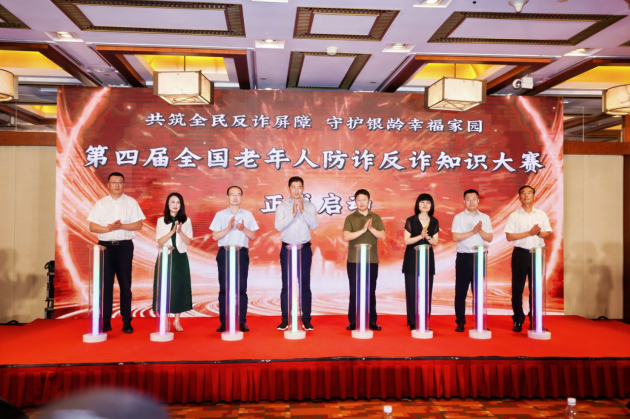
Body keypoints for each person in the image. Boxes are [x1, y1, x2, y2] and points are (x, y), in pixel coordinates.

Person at [87, 172, 145, 334]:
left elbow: (139, 225)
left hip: (124, 247)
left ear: (124, 184)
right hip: (105, 248)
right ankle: (105, 321)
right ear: (108, 185)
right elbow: (92, 227)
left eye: (120, 182)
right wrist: (109, 229)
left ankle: (127, 322)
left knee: (125, 285)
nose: (117, 185)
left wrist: (121, 226)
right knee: (106, 286)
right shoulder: (101, 203)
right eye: (114, 182)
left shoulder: (131, 202)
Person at [210, 186, 259, 332]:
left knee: (241, 288)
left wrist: (243, 229)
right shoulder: (220, 215)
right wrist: (228, 228)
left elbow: (253, 236)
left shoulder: (248, 215)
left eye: (238, 195)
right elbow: (215, 236)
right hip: (225, 253)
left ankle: (241, 321)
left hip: (241, 253)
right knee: (224, 289)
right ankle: (224, 321)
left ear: (241, 197)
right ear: (227, 197)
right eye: (232, 195)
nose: (235, 197)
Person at [505, 185, 552, 332]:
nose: (526, 195)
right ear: (519, 197)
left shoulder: (541, 215)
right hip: (520, 253)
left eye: (529, 193)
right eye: (523, 193)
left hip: (536, 254)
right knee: (517, 289)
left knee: (536, 289)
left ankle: (535, 321)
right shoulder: (514, 216)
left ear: (534, 196)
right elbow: (509, 236)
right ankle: (518, 320)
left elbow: (548, 234)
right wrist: (529, 233)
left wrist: (537, 233)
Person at [274, 176, 318, 331]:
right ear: (289, 188)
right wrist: (293, 214)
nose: (296, 190)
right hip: (287, 249)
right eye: (293, 187)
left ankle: (306, 319)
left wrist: (303, 211)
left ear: (303, 188)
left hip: (304, 249)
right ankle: (285, 319)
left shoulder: (310, 206)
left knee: (305, 284)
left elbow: (314, 225)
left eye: (299, 187)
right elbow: (278, 226)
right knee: (287, 284)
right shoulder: (282, 206)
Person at [343, 189, 386, 331]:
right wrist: (362, 230)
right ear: (355, 201)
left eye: (364, 200)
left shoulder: (376, 217)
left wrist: (371, 228)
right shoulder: (350, 218)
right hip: (354, 260)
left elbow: (382, 236)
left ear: (369, 201)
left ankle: (372, 320)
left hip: (371, 260)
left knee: (370, 290)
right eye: (359, 200)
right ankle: (353, 321)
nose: (361, 203)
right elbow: (346, 237)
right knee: (354, 290)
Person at [451, 189, 494, 332]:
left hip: (479, 257)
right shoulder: (459, 217)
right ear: (464, 201)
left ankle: (479, 321)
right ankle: (460, 321)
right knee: (461, 291)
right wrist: (473, 231)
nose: (471, 201)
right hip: (464, 257)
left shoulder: (485, 218)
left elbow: (489, 238)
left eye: (474, 199)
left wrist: (479, 230)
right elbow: (455, 237)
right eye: (468, 199)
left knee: (478, 291)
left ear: (478, 201)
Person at [153, 193, 193, 332]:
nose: (175, 205)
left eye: (178, 202)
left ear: (181, 205)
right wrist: (172, 231)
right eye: (172, 202)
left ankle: (177, 320)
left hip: (180, 257)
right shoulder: (161, 220)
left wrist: (180, 232)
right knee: (164, 287)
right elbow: (160, 241)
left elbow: (188, 242)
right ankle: (165, 319)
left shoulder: (186, 220)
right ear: (167, 204)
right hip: (165, 256)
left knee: (179, 287)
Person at [402, 193, 439, 330]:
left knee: (426, 292)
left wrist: (427, 237)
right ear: (418, 204)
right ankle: (413, 322)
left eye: (428, 203)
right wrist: (420, 236)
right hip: (412, 259)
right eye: (422, 202)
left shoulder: (434, 221)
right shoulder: (411, 220)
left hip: (427, 259)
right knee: (412, 291)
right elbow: (406, 241)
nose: (425, 205)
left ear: (431, 206)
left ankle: (424, 320)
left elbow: (435, 242)